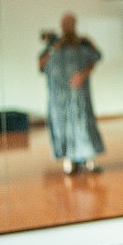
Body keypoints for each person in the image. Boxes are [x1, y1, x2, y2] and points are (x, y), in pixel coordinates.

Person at [38, 12, 104, 175]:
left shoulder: (83, 42)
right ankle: (69, 160)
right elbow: (41, 65)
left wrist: (83, 74)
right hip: (58, 96)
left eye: (70, 22)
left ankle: (88, 159)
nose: (67, 26)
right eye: (64, 23)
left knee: (83, 123)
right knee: (62, 126)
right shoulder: (54, 44)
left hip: (78, 93)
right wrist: (51, 46)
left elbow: (96, 57)